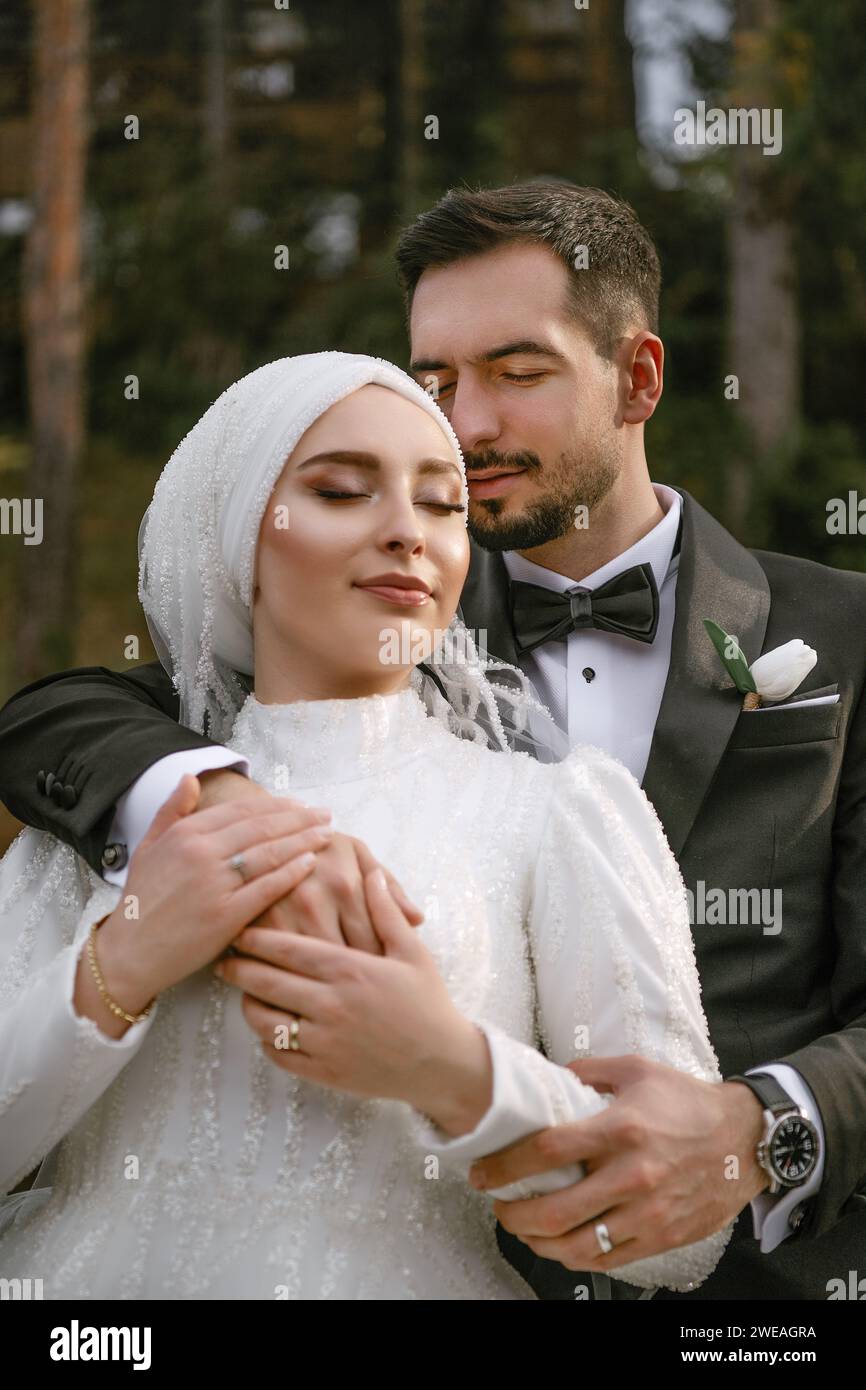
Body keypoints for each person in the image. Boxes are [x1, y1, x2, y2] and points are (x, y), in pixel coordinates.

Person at [2, 183, 864, 1302]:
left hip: (758, 1299)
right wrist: (198, 804)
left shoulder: (841, 635)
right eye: (437, 380)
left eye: (516, 372)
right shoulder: (374, 613)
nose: (465, 424)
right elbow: (64, 716)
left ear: (638, 378)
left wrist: (765, 1124)